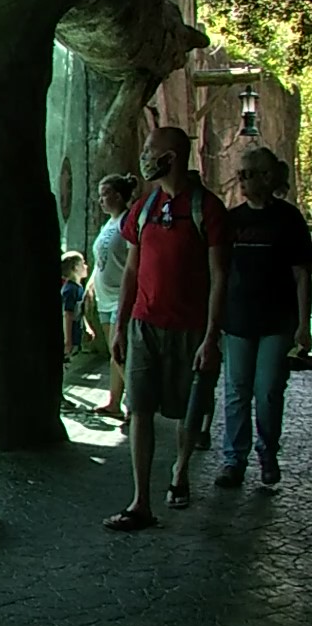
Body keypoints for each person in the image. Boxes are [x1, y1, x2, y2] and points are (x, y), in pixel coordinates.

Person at [104, 127, 228, 531]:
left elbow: (219, 275)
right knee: (140, 409)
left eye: (149, 151)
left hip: (189, 328)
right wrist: (121, 324)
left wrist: (211, 336)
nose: (143, 156)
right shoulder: (143, 209)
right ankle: (141, 501)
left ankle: (181, 469)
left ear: (171, 158)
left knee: (186, 410)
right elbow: (132, 272)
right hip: (144, 325)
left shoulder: (206, 209)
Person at [214, 145, 312, 489]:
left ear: (266, 178)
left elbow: (302, 273)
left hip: (277, 321)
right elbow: (220, 271)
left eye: (247, 174)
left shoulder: (289, 220)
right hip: (238, 319)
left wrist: (304, 323)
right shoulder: (233, 220)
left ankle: (267, 453)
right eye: (239, 174)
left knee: (268, 390)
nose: (240, 180)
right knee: (237, 391)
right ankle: (233, 461)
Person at [88, 174, 137, 420]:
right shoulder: (109, 223)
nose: (100, 200)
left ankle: (135, 402)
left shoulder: (128, 222)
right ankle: (114, 401)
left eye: (104, 194)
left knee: (119, 351)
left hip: (120, 296)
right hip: (104, 298)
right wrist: (90, 284)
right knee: (113, 352)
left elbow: (133, 261)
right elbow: (100, 261)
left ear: (118, 195)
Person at [60, 251, 91, 363]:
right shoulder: (70, 290)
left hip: (76, 333)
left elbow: (79, 311)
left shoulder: (78, 288)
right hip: (70, 334)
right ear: (75, 268)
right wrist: (68, 339)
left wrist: (86, 327)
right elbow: (67, 315)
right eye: (83, 263)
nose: (86, 266)